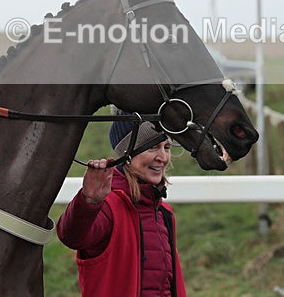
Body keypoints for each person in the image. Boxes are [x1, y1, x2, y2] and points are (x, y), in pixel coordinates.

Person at [56, 120, 187, 297]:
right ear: (127, 155)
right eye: (153, 147)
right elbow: (71, 236)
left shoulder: (164, 212)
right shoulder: (108, 207)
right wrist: (88, 202)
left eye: (167, 147)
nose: (163, 157)